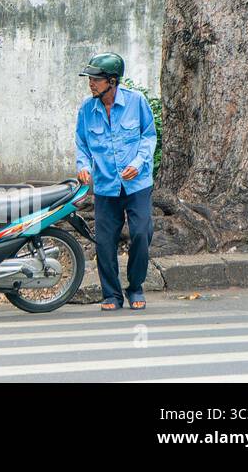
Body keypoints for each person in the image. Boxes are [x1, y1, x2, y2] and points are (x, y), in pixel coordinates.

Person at [74, 52, 156, 311]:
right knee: (105, 241)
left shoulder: (136, 101)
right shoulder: (87, 110)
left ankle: (135, 287)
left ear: (112, 81)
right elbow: (82, 144)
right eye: (89, 79)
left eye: (96, 79)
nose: (91, 83)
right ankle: (111, 294)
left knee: (141, 233)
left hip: (137, 184)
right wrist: (83, 166)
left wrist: (138, 163)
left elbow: (148, 136)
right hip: (106, 185)